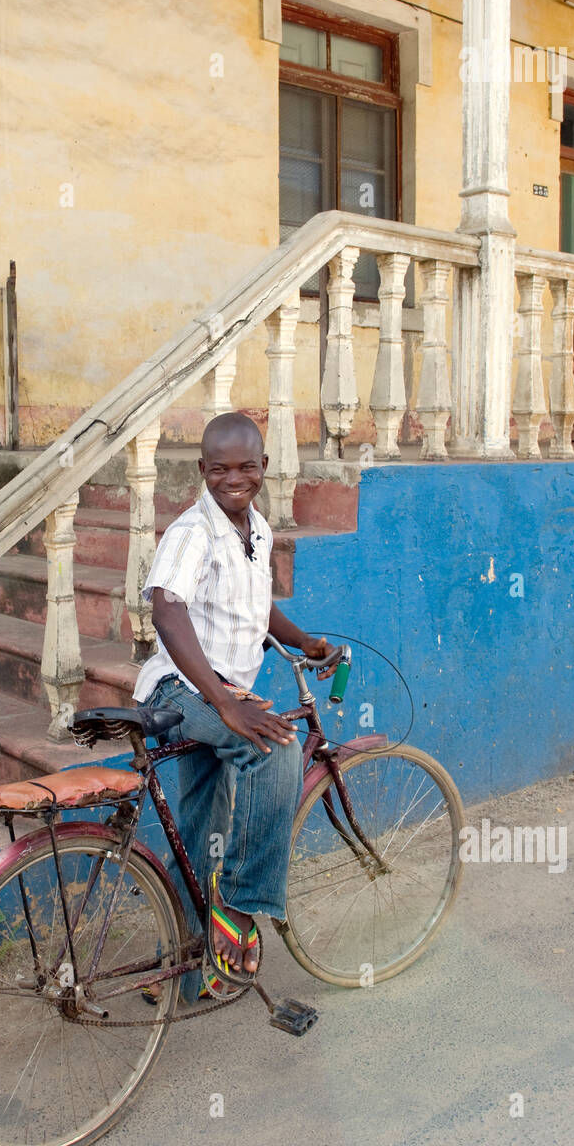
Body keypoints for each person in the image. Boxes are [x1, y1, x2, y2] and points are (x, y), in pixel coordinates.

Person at [134, 411, 338, 1000]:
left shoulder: (258, 529)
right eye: (219, 468)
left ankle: (172, 960)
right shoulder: (192, 532)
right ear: (202, 471)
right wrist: (224, 705)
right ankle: (241, 908)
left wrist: (302, 641)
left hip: (224, 694)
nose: (234, 478)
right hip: (184, 690)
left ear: (263, 469)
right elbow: (167, 609)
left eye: (246, 467)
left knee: (199, 827)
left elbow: (257, 605)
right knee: (276, 747)